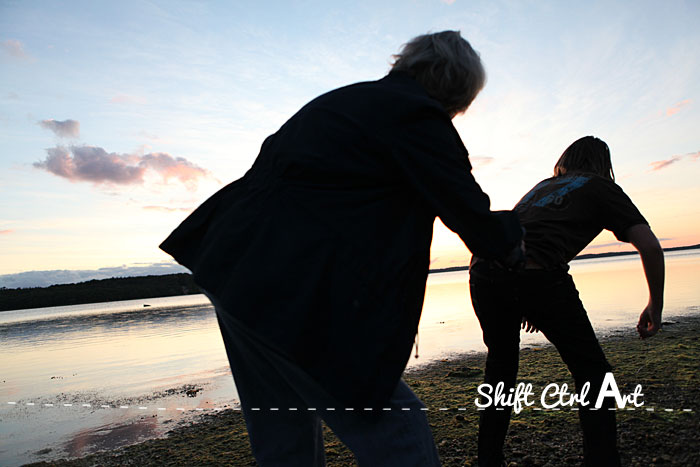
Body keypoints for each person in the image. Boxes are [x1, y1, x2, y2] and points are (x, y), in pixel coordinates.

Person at [160, 31, 524, 466]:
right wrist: (516, 238)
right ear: (456, 87)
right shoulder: (414, 115)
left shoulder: (341, 102)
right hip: (291, 288)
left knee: (283, 433)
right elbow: (472, 218)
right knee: (398, 430)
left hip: (231, 268)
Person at [469, 136, 665, 466]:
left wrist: (524, 302)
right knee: (594, 374)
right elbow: (649, 245)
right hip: (536, 274)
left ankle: (488, 460)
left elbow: (518, 237)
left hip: (483, 272)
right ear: (604, 165)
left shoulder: (543, 187)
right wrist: (655, 306)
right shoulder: (601, 187)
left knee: (501, 368)